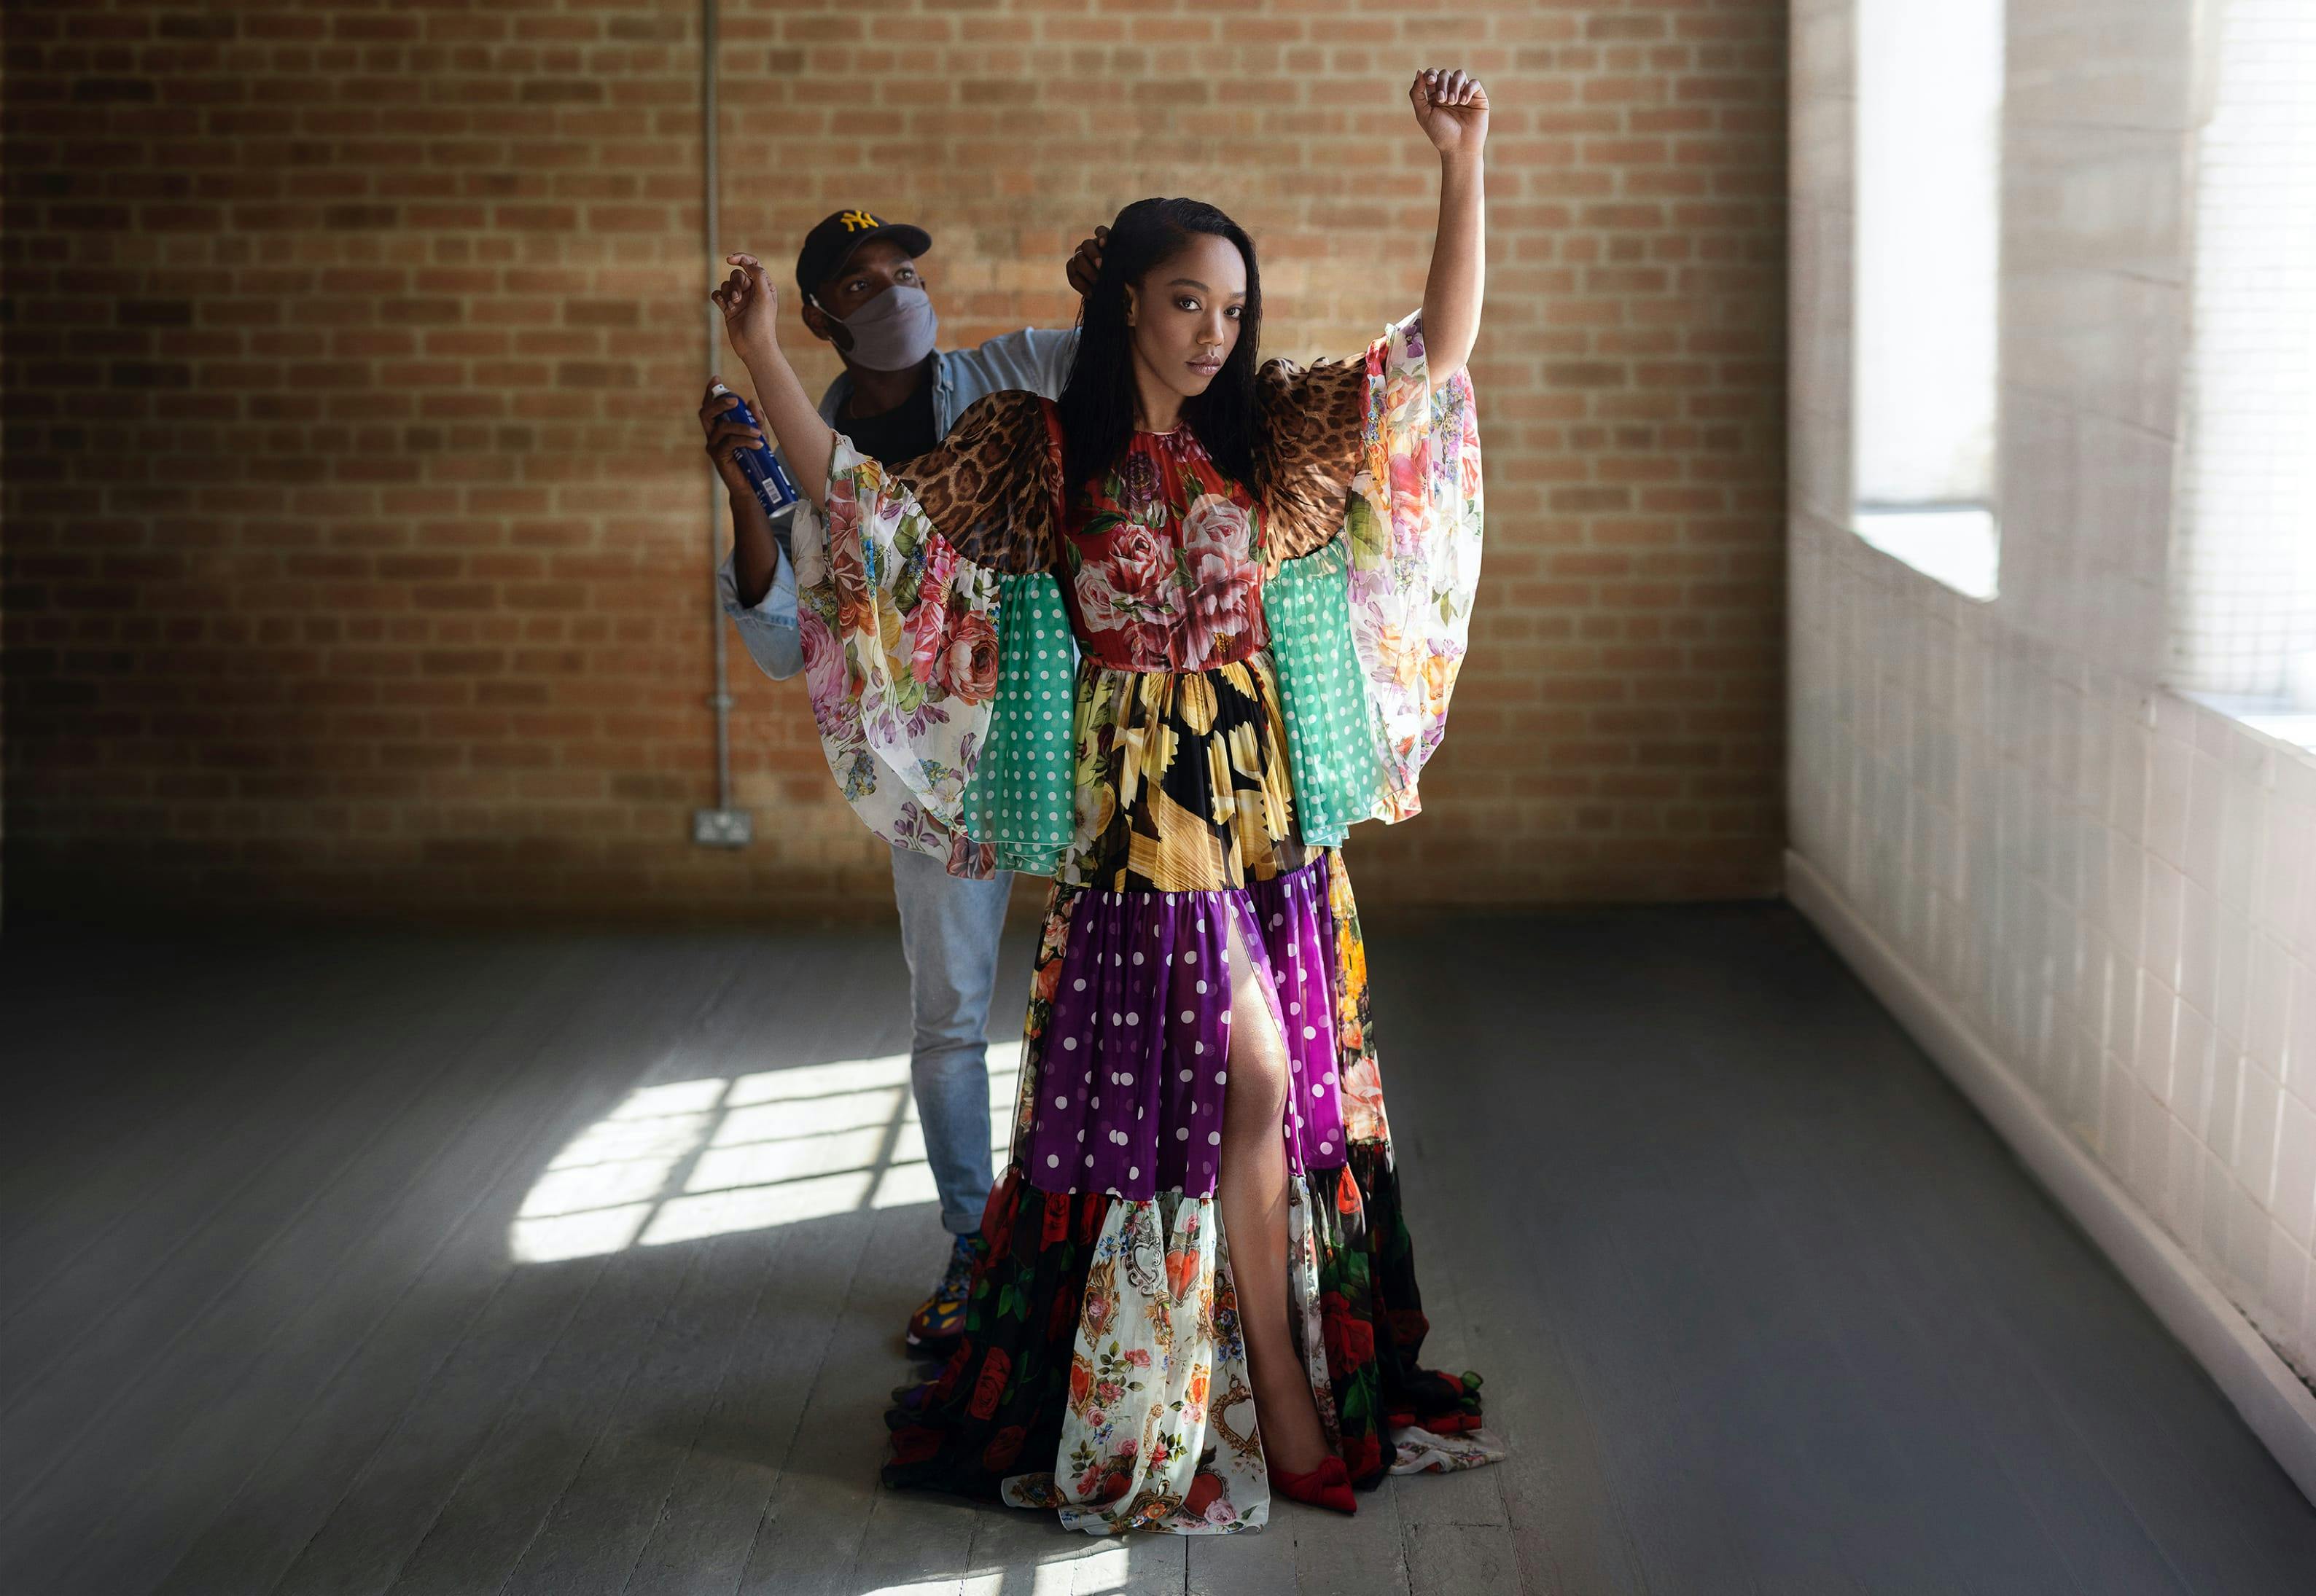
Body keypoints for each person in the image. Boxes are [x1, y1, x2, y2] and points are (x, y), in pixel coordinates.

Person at [708, 69, 1503, 1535]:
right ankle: (1270, 1386)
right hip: (1141, 827)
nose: (1216, 332)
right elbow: (864, 511)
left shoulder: (1266, 430)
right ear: (1127, 299)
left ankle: (1266, 1381)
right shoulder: (1034, 445)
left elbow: (1430, 360)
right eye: (1190, 303)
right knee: (1249, 1083)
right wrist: (764, 353)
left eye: (1232, 308)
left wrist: (1461, 163)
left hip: (1261, 815)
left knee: (1251, 1103)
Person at [697, 208, 1086, 1358]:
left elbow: (1121, 380)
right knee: (950, 1016)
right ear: (817, 319)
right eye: (861, 286)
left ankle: (1094, 1233)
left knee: (1105, 982)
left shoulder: (1010, 375)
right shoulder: (807, 452)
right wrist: (741, 487)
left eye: (905, 271)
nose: (894, 293)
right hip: (929, 765)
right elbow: (778, 643)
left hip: (1070, 722)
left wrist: (1111, 297)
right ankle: (973, 1246)